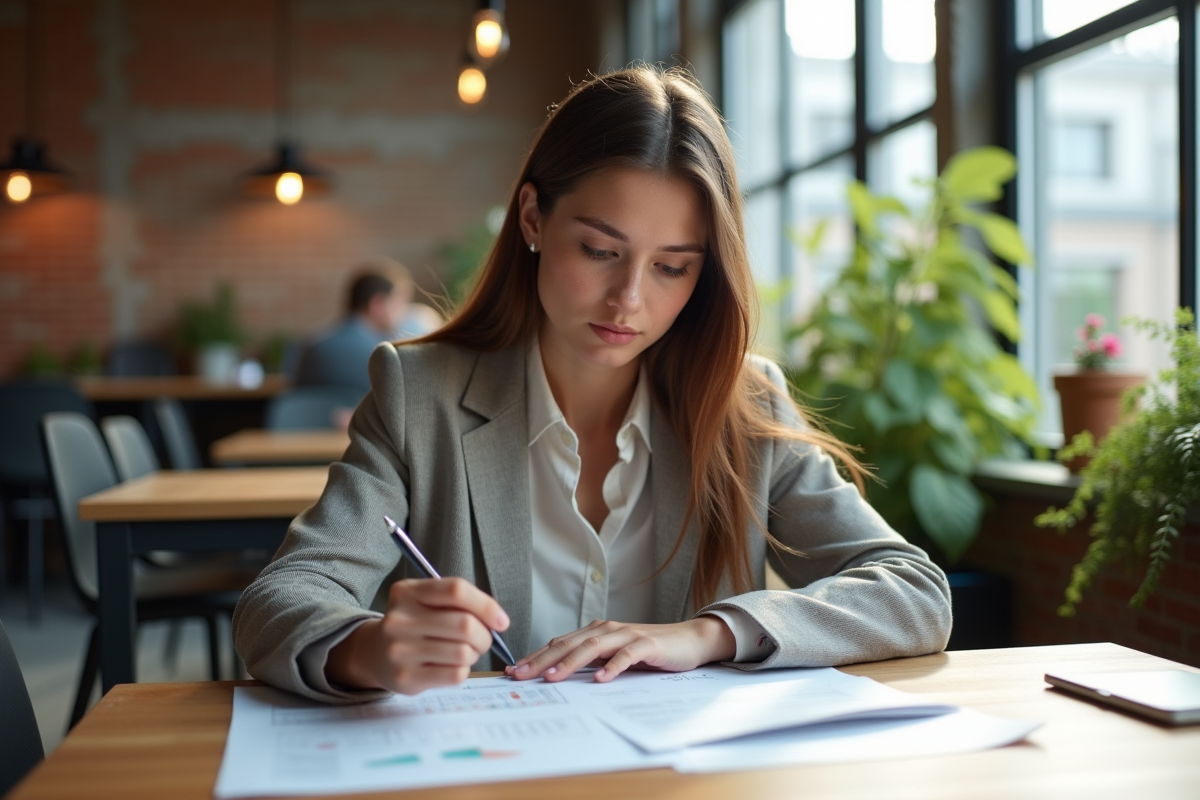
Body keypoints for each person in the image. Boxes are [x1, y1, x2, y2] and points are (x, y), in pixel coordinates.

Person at [233, 66, 952, 703]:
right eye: (601, 250)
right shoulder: (420, 394)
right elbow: (282, 599)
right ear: (533, 218)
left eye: (672, 266)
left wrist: (707, 635)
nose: (628, 300)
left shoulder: (744, 404)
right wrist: (369, 649)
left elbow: (912, 592)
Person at [295, 258, 443, 394]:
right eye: (399, 303)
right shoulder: (382, 354)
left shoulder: (310, 344)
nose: (403, 312)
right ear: (377, 304)